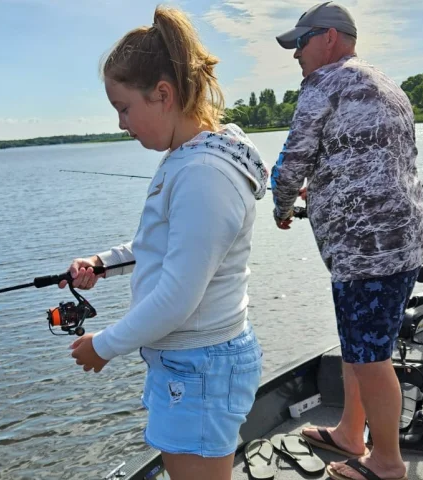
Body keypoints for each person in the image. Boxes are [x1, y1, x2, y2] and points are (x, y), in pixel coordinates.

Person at [59, 6, 269, 480]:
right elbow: (160, 245)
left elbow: (177, 297)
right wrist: (102, 263)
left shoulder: (204, 176)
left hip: (201, 364)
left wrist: (105, 345)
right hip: (186, 362)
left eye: (124, 108)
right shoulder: (187, 158)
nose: (120, 124)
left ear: (163, 94)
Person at [271, 2, 423, 480]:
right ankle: (348, 432)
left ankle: (385, 463)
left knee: (371, 357)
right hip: (404, 241)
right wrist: (323, 184)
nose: (295, 54)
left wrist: (282, 207)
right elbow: (365, 156)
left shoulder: (323, 84)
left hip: (367, 250)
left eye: (301, 42)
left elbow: (292, 160)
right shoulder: (383, 82)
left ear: (330, 38)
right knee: (359, 344)